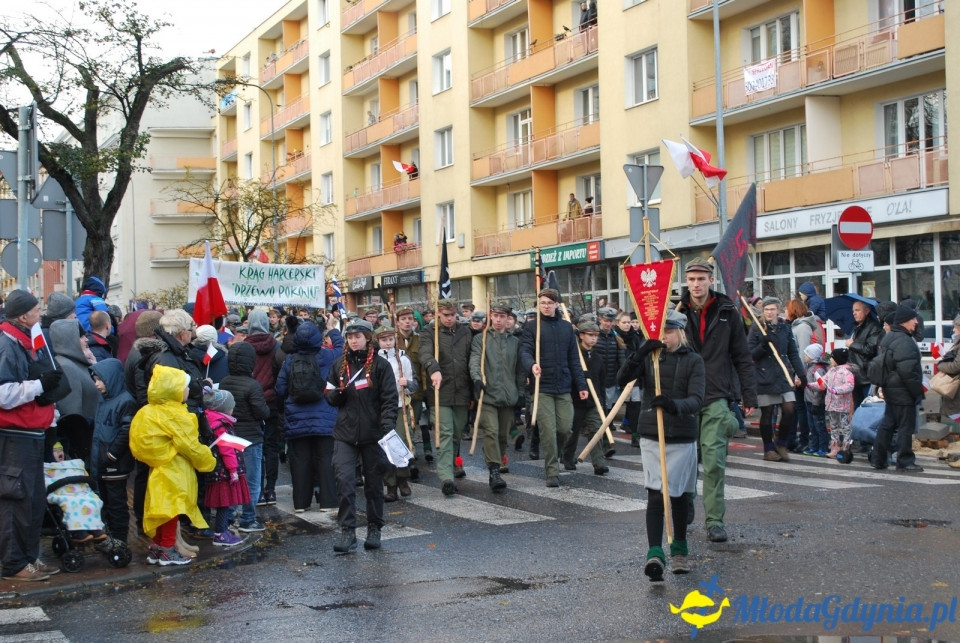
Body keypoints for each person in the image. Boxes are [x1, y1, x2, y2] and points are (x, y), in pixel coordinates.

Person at [618, 310, 705, 580]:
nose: (663, 336)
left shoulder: (694, 360)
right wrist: (640, 353)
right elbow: (622, 379)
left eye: (668, 331)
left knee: (678, 496)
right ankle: (654, 553)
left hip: (681, 436)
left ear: (679, 332)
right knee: (656, 494)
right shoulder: (650, 357)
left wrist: (672, 405)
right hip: (652, 434)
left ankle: (679, 551)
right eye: (660, 331)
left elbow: (697, 399)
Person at [677, 258, 758, 543]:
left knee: (713, 461)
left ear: (711, 280)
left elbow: (741, 355)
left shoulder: (727, 311)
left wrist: (748, 394)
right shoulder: (676, 312)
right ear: (686, 282)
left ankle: (714, 521)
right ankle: (685, 500)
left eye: (701, 279)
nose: (696, 284)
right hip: (684, 396)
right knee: (686, 460)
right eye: (691, 279)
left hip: (716, 394)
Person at [0, 290, 64, 581]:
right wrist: (40, 385)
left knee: (33, 501)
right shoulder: (7, 345)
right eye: (37, 310)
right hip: (15, 434)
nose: (41, 315)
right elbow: (3, 394)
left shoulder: (22, 342)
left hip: (30, 432)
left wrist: (50, 414)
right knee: (17, 499)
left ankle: (28, 557)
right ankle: (14, 563)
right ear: (24, 316)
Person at [130, 364, 216, 566]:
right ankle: (168, 549)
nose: (187, 390)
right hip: (175, 469)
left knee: (161, 509)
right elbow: (191, 446)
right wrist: (209, 460)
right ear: (173, 389)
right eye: (184, 387)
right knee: (171, 510)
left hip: (158, 469)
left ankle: (157, 547)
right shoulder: (176, 415)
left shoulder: (148, 411)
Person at [325, 319, 398, 553]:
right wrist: (337, 395)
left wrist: (387, 425)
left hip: (373, 433)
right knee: (344, 480)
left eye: (357, 336)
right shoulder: (339, 364)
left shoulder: (380, 366)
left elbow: (390, 399)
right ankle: (348, 531)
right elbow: (327, 393)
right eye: (350, 337)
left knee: (374, 484)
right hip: (345, 433)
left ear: (367, 338)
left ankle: (375, 527)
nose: (353, 341)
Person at [520, 288, 588, 488]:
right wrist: (531, 365)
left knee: (565, 428)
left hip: (564, 386)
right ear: (538, 305)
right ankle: (552, 471)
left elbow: (574, 359)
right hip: (542, 387)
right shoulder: (531, 327)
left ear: (557, 304)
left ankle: (555, 455)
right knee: (548, 431)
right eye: (542, 303)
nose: (546, 306)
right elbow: (524, 351)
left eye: (550, 303)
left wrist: (581, 385)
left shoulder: (567, 328)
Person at [276, 317, 343, 513]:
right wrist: (332, 329)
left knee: (299, 461)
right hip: (325, 417)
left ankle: (301, 503)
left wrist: (285, 408)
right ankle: (328, 502)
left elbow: (280, 389)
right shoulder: (329, 357)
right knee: (326, 459)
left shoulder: (290, 360)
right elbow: (342, 348)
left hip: (296, 418)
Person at [419, 299, 474, 495]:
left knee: (457, 434)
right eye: (445, 315)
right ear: (438, 314)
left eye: (452, 315)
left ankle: (450, 465)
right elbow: (425, 354)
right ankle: (446, 477)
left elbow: (471, 358)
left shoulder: (465, 332)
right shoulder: (429, 332)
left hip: (462, 391)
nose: (449, 318)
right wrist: (433, 369)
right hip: (440, 390)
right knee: (445, 433)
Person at [470, 303, 524, 491]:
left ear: (509, 319)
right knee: (491, 431)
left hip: (508, 396)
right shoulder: (481, 339)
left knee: (502, 435)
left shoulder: (515, 342)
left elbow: (519, 370)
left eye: (503, 316)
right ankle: (494, 471)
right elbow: (475, 360)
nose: (499, 320)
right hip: (488, 394)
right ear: (491, 317)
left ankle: (496, 458)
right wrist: (477, 379)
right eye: (496, 316)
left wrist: (520, 393)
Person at [747, 297, 806, 462]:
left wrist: (801, 373)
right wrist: (762, 346)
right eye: (766, 309)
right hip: (765, 375)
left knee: (789, 409)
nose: (769, 312)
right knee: (767, 413)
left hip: (783, 375)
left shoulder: (785, 328)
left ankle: (781, 443)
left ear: (778, 311)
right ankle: (768, 449)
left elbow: (792, 352)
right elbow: (749, 355)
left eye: (772, 309)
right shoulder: (757, 328)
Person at [219, 342, 270, 532]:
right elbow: (261, 412)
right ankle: (248, 518)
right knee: (251, 481)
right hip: (250, 438)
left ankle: (229, 516)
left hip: (229, 436)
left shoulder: (224, 382)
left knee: (232, 477)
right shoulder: (253, 385)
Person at [871, 305, 925, 472]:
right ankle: (905, 460)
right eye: (913, 319)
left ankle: (878, 458)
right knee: (905, 427)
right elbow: (907, 370)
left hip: (891, 388)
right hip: (903, 390)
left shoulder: (890, 337)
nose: (916, 322)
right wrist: (917, 391)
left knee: (887, 425)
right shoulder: (904, 341)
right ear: (904, 321)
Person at [89, 358, 136, 543]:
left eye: (100, 380)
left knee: (117, 505)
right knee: (106, 502)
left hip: (115, 464)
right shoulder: (104, 400)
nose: (97, 384)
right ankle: (111, 538)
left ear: (111, 378)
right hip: (104, 461)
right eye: (95, 380)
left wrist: (112, 454)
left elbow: (126, 431)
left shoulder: (125, 401)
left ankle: (120, 541)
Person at [243, 310, 282, 506]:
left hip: (251, 403)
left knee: (254, 448)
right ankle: (271, 489)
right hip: (272, 402)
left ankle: (256, 490)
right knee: (271, 447)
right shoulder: (276, 346)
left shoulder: (244, 347)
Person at [561, 320, 609, 475]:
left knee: (596, 430)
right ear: (581, 336)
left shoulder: (598, 358)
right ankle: (568, 457)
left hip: (593, 401)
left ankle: (599, 462)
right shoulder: (574, 355)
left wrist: (602, 403)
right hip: (576, 400)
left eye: (596, 335)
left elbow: (601, 382)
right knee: (573, 431)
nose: (594, 338)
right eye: (590, 335)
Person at [375, 326, 418, 500]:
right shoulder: (374, 361)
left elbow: (414, 385)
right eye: (383, 340)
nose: (387, 343)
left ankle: (402, 478)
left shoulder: (403, 358)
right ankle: (390, 485)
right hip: (380, 408)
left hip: (400, 406)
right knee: (385, 446)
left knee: (400, 442)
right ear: (378, 341)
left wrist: (406, 383)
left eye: (390, 339)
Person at [202, 389, 248, 547]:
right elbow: (227, 450)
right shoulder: (221, 425)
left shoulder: (211, 420)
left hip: (218, 470)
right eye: (231, 406)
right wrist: (233, 470)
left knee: (224, 503)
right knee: (224, 503)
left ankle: (222, 531)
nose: (233, 409)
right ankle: (220, 533)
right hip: (224, 472)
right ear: (224, 408)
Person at [44, 445, 109, 544]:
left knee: (93, 501)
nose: (59, 452)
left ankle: (95, 529)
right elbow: (47, 484)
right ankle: (78, 532)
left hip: (80, 491)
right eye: (55, 451)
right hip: (62, 494)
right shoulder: (46, 468)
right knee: (72, 503)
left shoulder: (73, 465)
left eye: (60, 450)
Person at [396, 307, 428, 467]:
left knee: (413, 424)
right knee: (403, 425)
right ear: (397, 322)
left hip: (416, 391)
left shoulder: (420, 340)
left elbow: (423, 367)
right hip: (398, 391)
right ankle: (409, 457)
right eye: (403, 319)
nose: (407, 322)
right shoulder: (393, 339)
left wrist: (425, 390)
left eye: (410, 319)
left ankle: (409, 451)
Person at [846, 299, 884, 409]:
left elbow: (870, 349)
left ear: (867, 311)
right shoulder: (857, 327)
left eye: (857, 310)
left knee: (867, 407)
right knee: (858, 407)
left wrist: (852, 345)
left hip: (866, 376)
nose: (854, 313)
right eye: (853, 311)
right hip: (855, 375)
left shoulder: (874, 327)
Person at [824, 347, 856, 460]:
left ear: (838, 359)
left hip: (843, 406)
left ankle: (846, 448)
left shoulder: (847, 373)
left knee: (845, 427)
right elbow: (823, 381)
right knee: (834, 427)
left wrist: (837, 390)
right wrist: (811, 385)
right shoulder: (831, 371)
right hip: (832, 404)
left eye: (832, 357)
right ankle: (835, 448)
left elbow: (849, 386)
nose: (830, 359)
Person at [801, 344, 830, 457]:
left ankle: (823, 447)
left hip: (816, 403)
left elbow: (819, 388)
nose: (805, 356)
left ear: (812, 356)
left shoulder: (818, 370)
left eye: (807, 354)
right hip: (809, 401)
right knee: (812, 426)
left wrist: (816, 403)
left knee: (819, 425)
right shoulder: (810, 367)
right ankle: (814, 446)